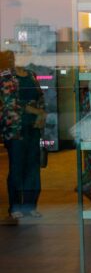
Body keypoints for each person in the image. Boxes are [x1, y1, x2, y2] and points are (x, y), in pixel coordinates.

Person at [0, 51, 45, 219]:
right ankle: (15, 206)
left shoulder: (32, 75)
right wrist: (37, 111)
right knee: (17, 168)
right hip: (15, 129)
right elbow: (10, 101)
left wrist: (41, 116)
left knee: (33, 168)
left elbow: (40, 97)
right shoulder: (6, 76)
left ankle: (30, 206)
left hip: (33, 128)